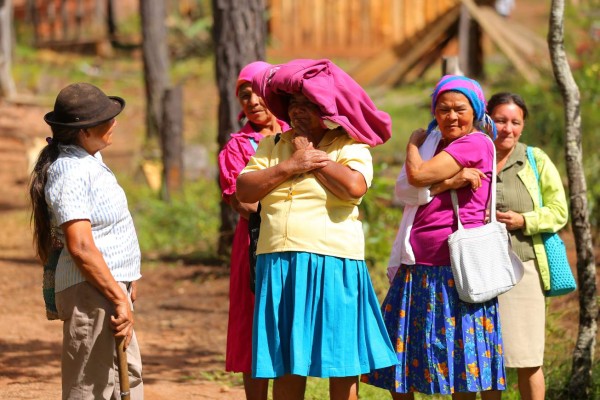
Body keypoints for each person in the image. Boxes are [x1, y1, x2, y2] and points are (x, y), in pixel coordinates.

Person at [236, 58, 397, 400]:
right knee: (287, 362)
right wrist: (292, 164)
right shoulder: (273, 145)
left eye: (307, 105)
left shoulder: (348, 145)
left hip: (332, 261)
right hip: (279, 263)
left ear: (327, 109)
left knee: (341, 361)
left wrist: (315, 160)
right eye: (293, 104)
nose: (297, 112)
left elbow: (354, 187)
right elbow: (246, 190)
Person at [363, 75, 505, 400]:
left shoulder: (475, 142)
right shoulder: (434, 142)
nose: (451, 116)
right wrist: (449, 182)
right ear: (434, 111)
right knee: (401, 362)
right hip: (417, 266)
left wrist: (411, 144)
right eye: (443, 109)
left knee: (460, 365)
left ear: (476, 110)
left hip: (454, 271)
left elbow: (416, 176)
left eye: (460, 109)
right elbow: (403, 191)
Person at [29, 83, 143, 399]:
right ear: (84, 131)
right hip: (91, 291)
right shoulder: (71, 171)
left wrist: (126, 282)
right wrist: (117, 297)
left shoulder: (89, 161)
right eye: (107, 118)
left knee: (123, 382)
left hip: (104, 287)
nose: (115, 123)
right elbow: (80, 245)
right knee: (93, 387)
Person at [488, 92, 568, 400]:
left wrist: (526, 221)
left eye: (515, 122)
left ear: (522, 126)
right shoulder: (473, 156)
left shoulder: (535, 159)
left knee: (528, 358)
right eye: (500, 120)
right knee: (485, 358)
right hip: (478, 272)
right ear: (487, 121)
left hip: (525, 270)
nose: (507, 128)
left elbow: (560, 210)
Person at [218, 61, 289, 400]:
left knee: (288, 321)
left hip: (295, 240)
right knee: (254, 325)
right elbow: (241, 203)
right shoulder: (236, 148)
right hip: (255, 243)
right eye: (244, 96)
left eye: (258, 92)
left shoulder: (295, 132)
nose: (252, 101)